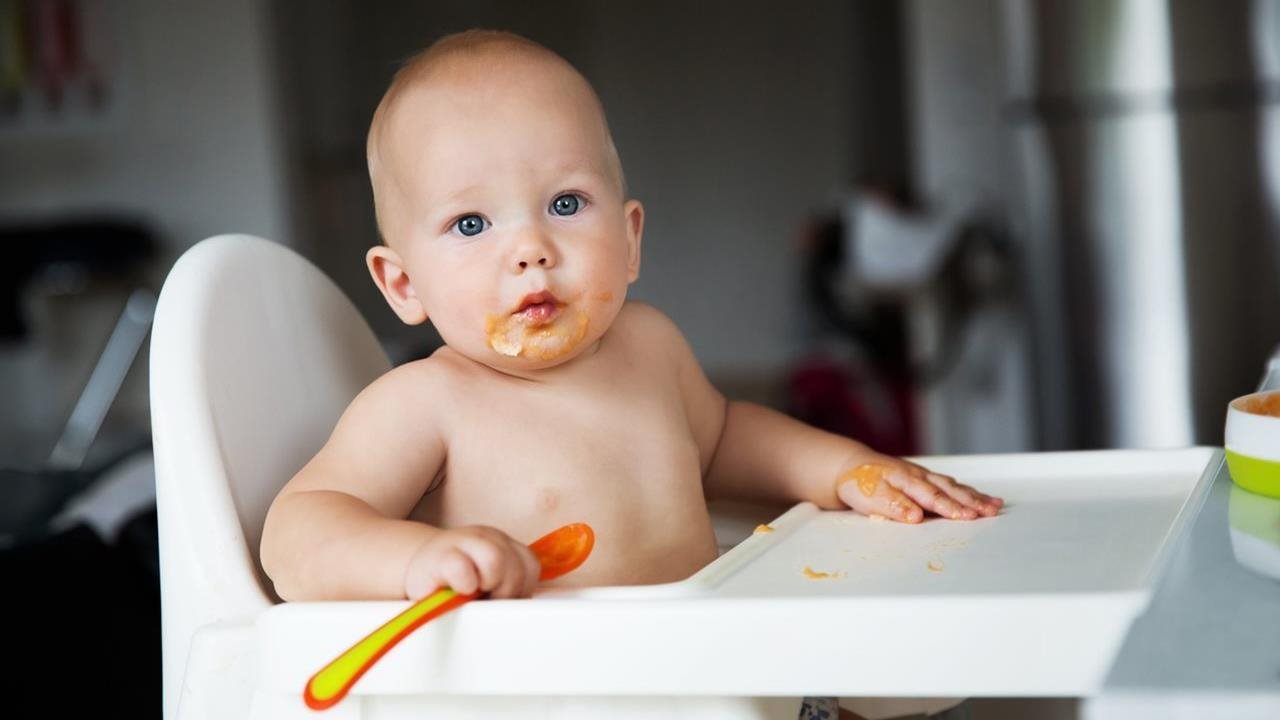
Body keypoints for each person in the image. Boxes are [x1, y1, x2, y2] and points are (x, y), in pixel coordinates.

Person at [261, 26, 1001, 615]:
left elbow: (723, 443)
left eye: (565, 204)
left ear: (631, 237)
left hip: (698, 673)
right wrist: (414, 562)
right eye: (470, 222)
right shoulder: (425, 405)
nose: (530, 251)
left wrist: (844, 469)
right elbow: (296, 536)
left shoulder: (650, 345)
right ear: (402, 283)